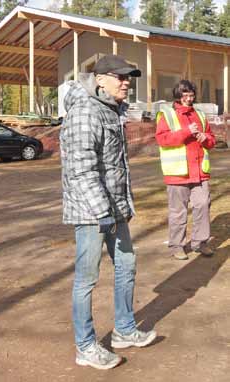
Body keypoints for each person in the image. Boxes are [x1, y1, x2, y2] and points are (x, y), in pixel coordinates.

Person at [60, 54, 157, 371]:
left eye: (129, 77)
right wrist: (104, 212)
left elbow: (117, 168)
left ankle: (124, 329)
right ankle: (85, 346)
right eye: (121, 76)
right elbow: (81, 170)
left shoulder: (112, 110)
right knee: (87, 280)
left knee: (127, 265)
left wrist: (121, 208)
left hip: (114, 209)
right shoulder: (85, 112)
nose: (127, 82)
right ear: (100, 79)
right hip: (91, 212)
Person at [155, 80, 216, 260]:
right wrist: (186, 131)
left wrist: (205, 138)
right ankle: (177, 246)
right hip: (177, 174)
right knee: (178, 212)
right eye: (185, 95)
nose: (189, 99)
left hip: (200, 173)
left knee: (203, 206)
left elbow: (211, 141)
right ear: (178, 95)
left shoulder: (200, 115)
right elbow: (163, 140)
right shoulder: (166, 114)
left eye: (191, 95)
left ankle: (200, 242)